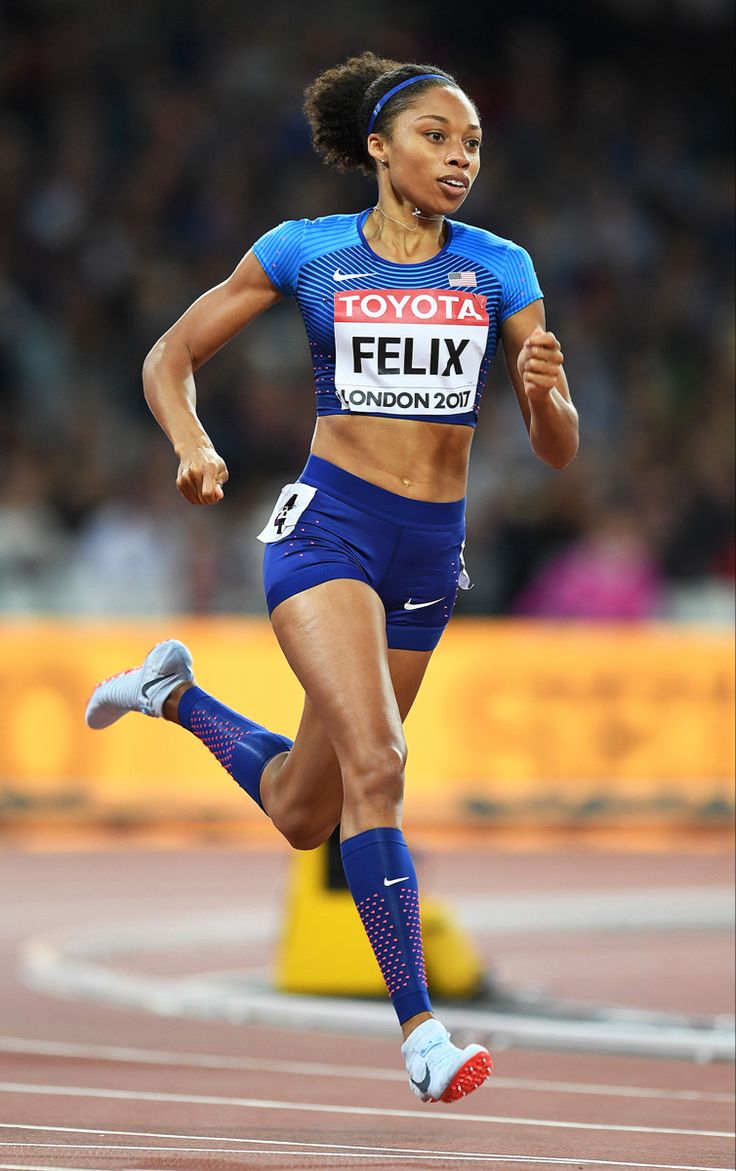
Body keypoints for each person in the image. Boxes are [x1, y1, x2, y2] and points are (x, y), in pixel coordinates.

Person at [85, 51, 578, 1104]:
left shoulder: (501, 267)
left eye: (472, 145)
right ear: (377, 148)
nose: (458, 160)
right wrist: (192, 442)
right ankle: (422, 1034)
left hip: (427, 551)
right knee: (380, 760)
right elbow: (170, 352)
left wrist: (542, 395)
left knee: (307, 807)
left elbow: (558, 450)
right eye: (436, 138)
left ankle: (172, 693)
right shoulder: (306, 252)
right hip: (328, 533)